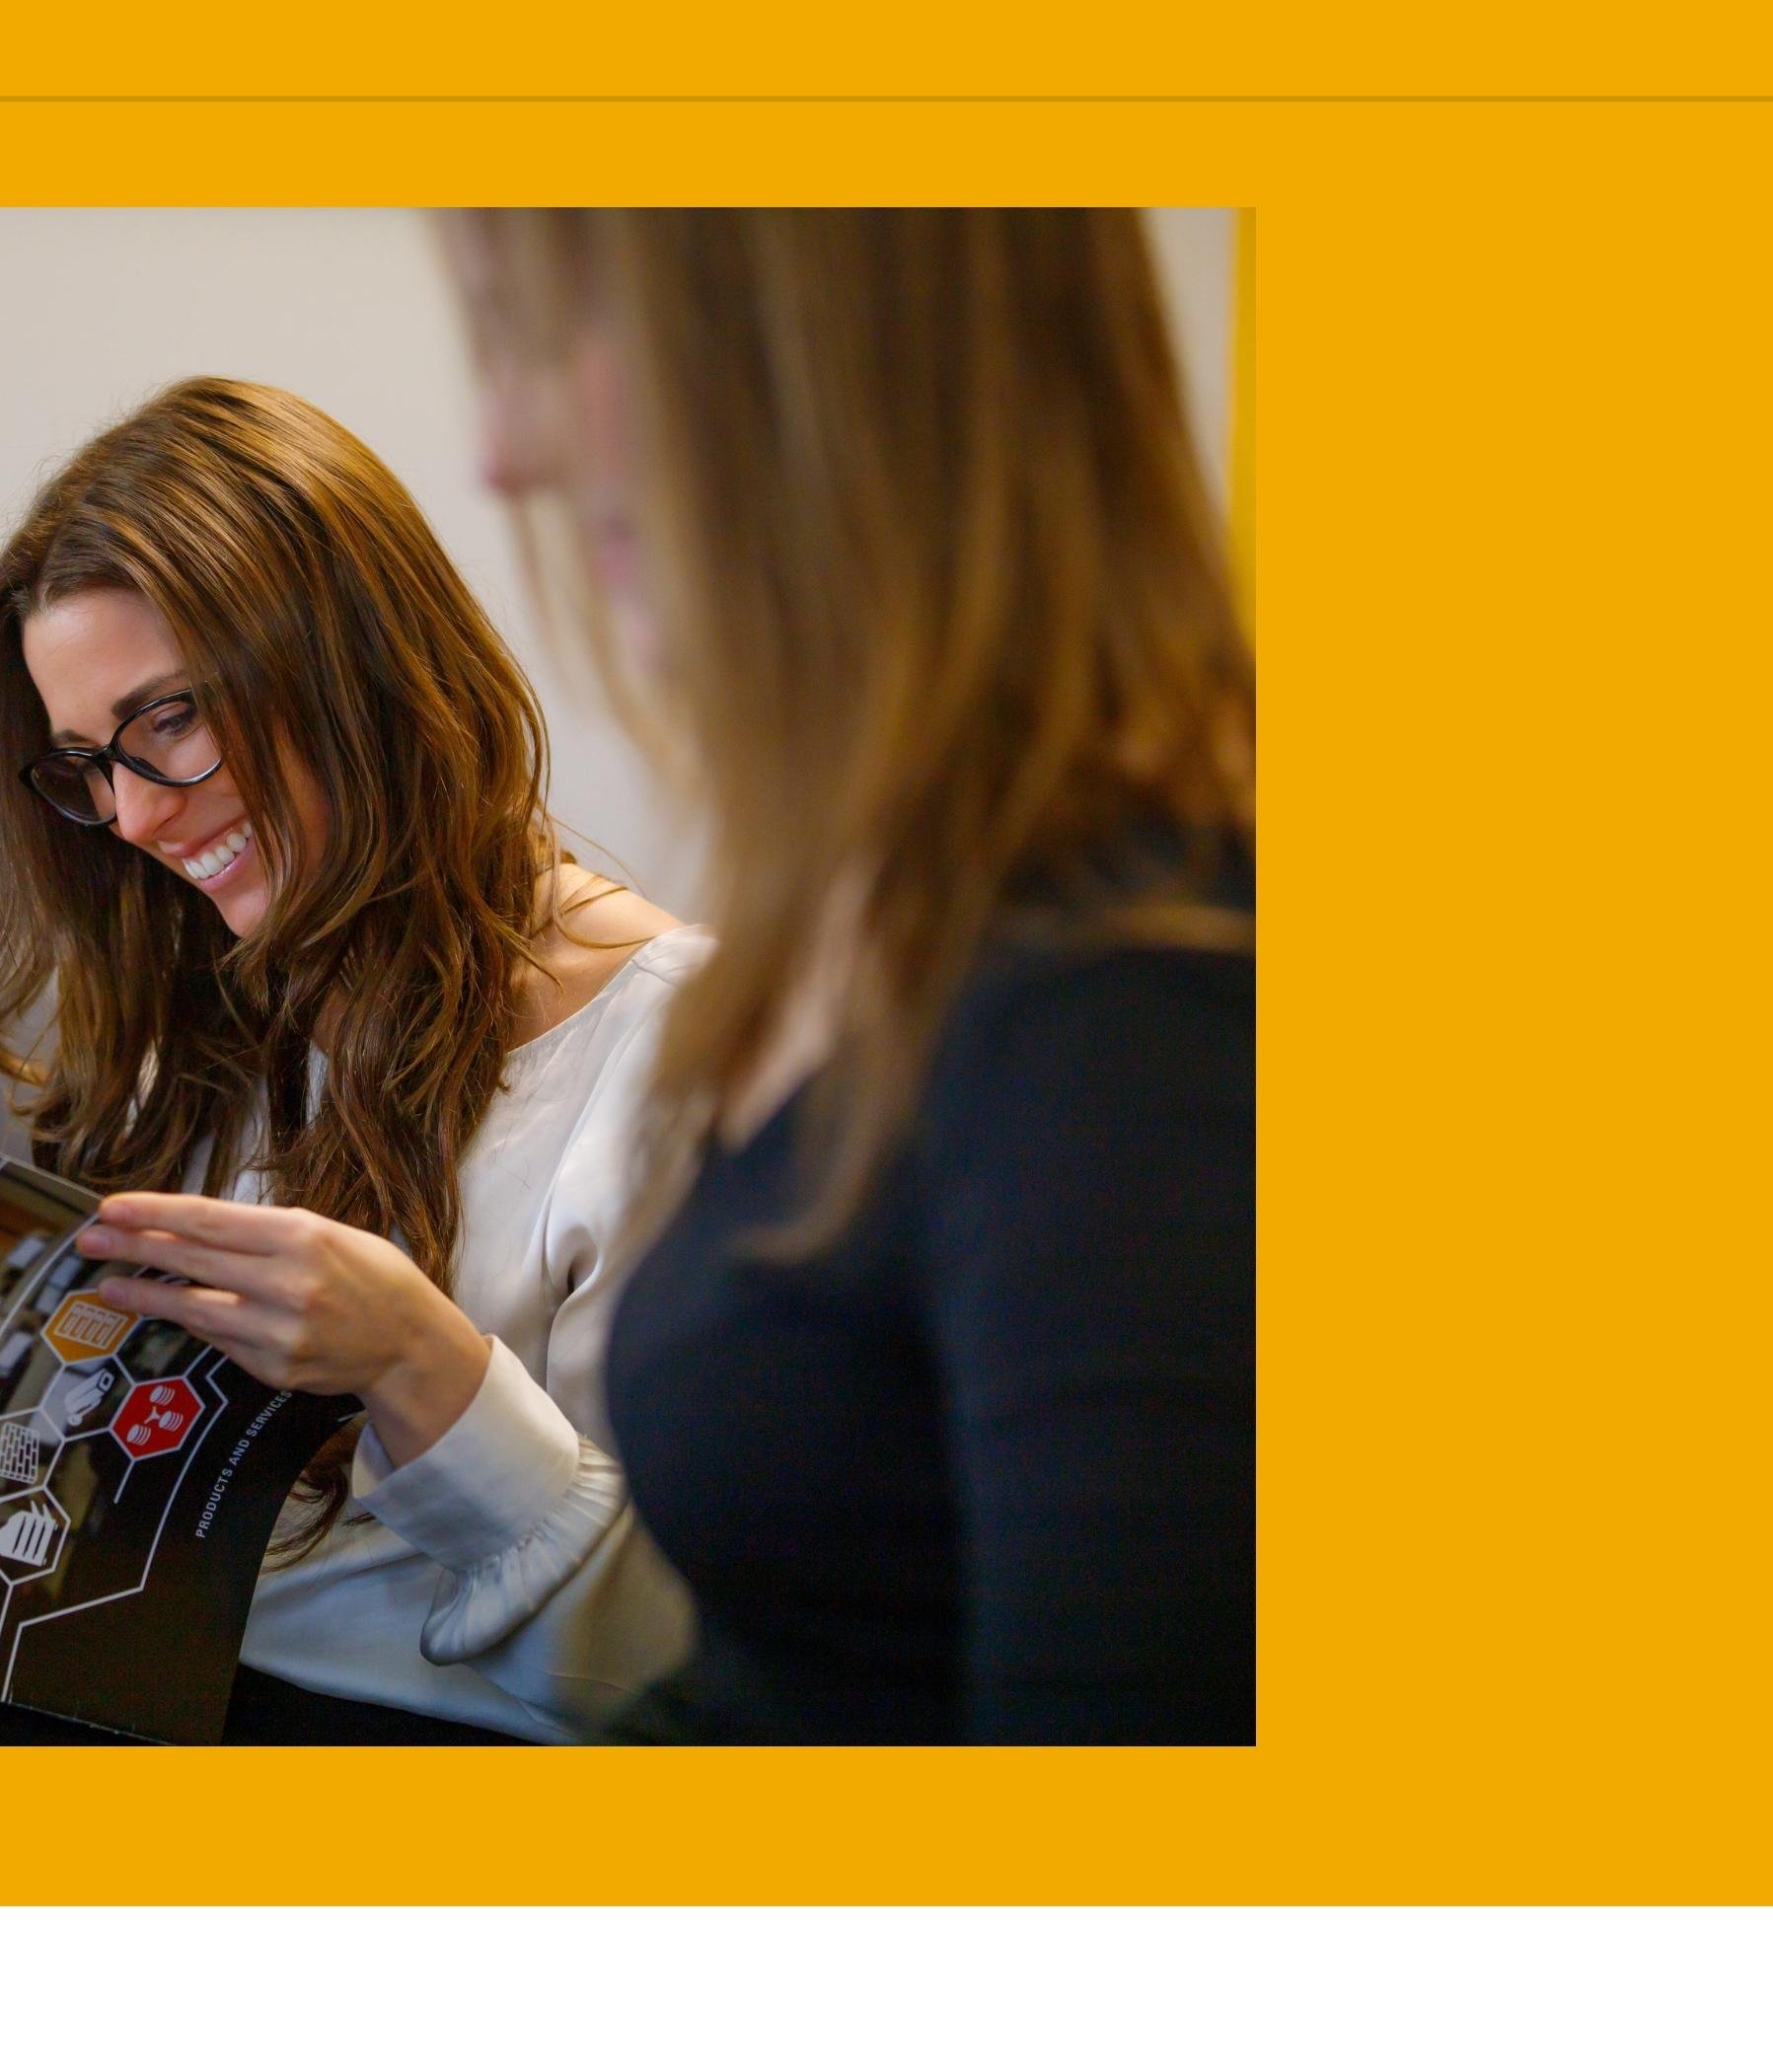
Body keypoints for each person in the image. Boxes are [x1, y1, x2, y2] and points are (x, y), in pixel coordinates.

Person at [448, 209, 1255, 1742]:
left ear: (843, 347)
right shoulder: (855, 914)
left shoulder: (1139, 997)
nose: (503, 448)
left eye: (554, 334)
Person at [0, 375, 703, 1741]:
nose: (129, 819)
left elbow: (679, 1678)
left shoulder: (674, 1052)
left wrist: (422, 1363)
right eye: (84, 766)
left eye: (168, 719)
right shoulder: (213, 1017)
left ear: (350, 658)